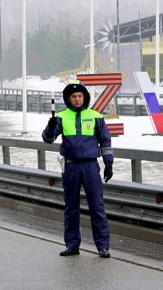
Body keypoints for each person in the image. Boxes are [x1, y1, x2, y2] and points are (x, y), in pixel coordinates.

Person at [42, 80, 114, 258]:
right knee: (71, 207)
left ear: (84, 97)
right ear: (68, 98)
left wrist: (109, 163)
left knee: (97, 207)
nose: (77, 99)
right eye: (74, 96)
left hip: (90, 166)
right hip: (71, 166)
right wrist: (50, 128)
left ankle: (103, 246)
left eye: (80, 96)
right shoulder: (61, 117)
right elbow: (48, 140)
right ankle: (72, 245)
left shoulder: (96, 116)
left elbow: (105, 142)